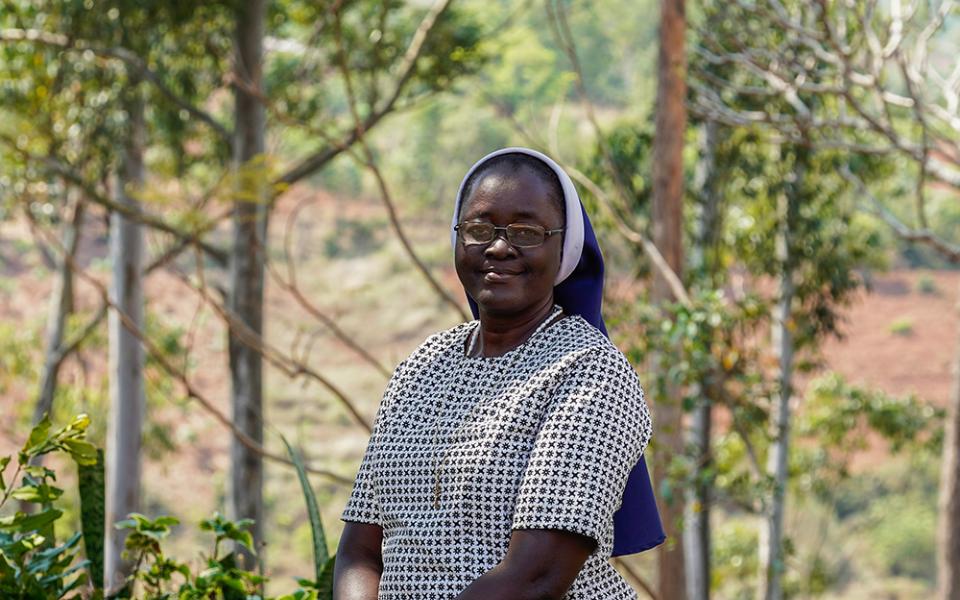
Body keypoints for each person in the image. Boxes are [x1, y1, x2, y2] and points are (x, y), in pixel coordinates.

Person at [333, 147, 664, 599]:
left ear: (563, 248)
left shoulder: (590, 372)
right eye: (478, 228)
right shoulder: (421, 367)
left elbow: (536, 577)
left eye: (527, 231)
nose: (499, 246)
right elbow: (360, 550)